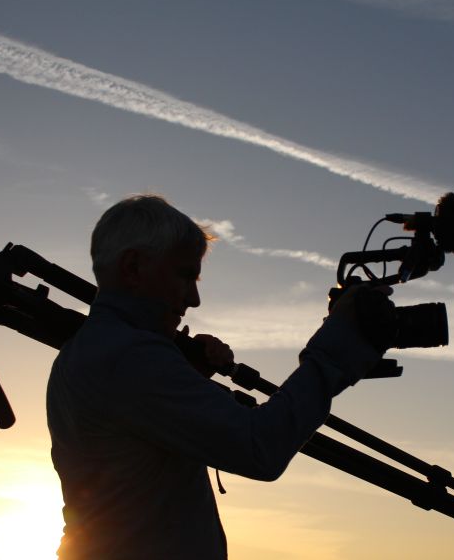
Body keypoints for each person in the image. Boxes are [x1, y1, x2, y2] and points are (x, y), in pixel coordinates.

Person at [46, 194, 389, 559]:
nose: (194, 299)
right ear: (133, 268)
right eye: (185, 276)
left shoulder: (85, 353)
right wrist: (337, 349)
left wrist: (189, 378)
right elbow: (260, 447)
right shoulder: (131, 357)